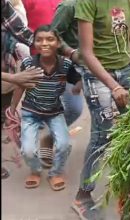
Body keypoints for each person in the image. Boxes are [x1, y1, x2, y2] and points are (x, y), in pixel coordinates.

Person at [72, 0, 130, 218]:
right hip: (97, 74)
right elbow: (87, 52)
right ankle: (82, 196)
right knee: (102, 136)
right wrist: (113, 86)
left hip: (125, 70)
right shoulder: (88, 2)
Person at [8, 25, 77, 190]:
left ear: (59, 43)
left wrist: (79, 86)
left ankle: (56, 173)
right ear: (34, 43)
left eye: (50, 39)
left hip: (54, 112)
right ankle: (35, 170)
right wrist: (12, 109)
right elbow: (20, 85)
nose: (44, 43)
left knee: (64, 145)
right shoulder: (28, 63)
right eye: (39, 40)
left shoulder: (66, 65)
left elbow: (78, 79)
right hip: (31, 112)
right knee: (28, 150)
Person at [38, 0, 84, 169]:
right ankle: (49, 138)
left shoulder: (101, 7)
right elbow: (52, 37)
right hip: (68, 68)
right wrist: (71, 53)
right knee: (74, 108)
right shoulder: (69, 7)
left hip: (94, 65)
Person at [1, 0, 43, 180]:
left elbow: (19, 29)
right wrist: (13, 78)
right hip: (7, 75)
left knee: (2, 115)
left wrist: (44, 43)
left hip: (5, 69)